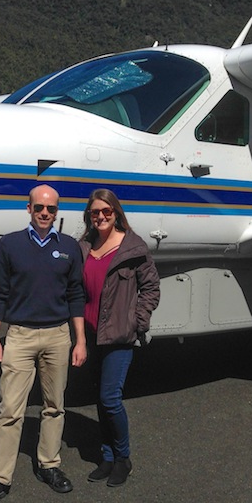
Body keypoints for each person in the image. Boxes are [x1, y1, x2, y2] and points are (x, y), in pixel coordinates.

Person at [0, 184, 87, 503]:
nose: (45, 214)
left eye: (51, 209)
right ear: (29, 209)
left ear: (57, 211)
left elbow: (76, 295)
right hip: (19, 337)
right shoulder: (10, 245)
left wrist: (80, 340)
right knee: (10, 409)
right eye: (39, 208)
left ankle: (48, 464)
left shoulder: (68, 247)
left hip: (58, 336)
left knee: (54, 405)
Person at [78, 189, 160, 487]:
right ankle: (107, 456)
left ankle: (123, 458)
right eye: (95, 213)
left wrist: (137, 321)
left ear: (116, 213)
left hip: (119, 336)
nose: (100, 217)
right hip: (89, 334)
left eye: (106, 212)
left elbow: (151, 289)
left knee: (110, 398)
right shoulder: (84, 246)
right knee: (99, 397)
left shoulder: (133, 248)